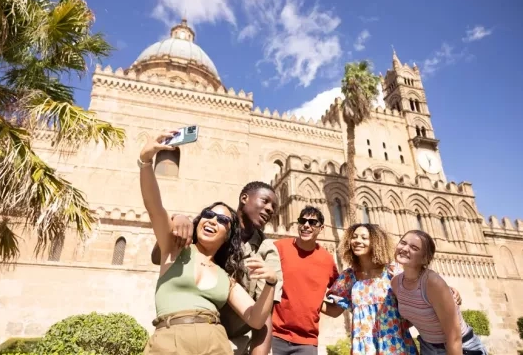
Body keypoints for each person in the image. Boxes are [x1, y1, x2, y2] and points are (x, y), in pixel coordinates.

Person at [140, 131, 279, 354]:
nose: (213, 220)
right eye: (208, 214)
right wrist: (145, 162)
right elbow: (155, 207)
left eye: (223, 220)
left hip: (215, 344)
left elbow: (255, 318)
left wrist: (270, 284)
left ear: (228, 235)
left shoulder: (226, 277)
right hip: (169, 341)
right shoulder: (174, 249)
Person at [327, 224, 463, 355]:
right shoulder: (348, 277)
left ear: (376, 242)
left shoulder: (393, 271)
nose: (357, 241)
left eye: (364, 237)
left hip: (395, 344)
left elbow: (417, 284)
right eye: (354, 237)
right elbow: (335, 310)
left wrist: (448, 290)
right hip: (364, 347)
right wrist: (307, 298)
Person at [392, 230, 488, 355]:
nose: (404, 248)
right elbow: (416, 315)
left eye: (414, 247)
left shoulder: (432, 282)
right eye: (403, 242)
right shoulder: (396, 283)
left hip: (461, 348)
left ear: (425, 258)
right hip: (428, 347)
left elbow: (454, 336)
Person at [267, 206, 343, 355]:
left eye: (312, 222)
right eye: (303, 221)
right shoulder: (279, 248)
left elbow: (340, 299)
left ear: (321, 228)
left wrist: (315, 304)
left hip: (307, 341)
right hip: (274, 335)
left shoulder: (327, 260)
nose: (306, 225)